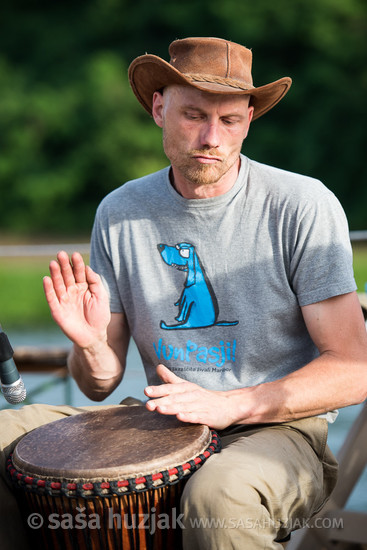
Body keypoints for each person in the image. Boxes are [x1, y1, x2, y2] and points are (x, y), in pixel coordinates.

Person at [1, 36, 367, 549]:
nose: (211, 137)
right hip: (158, 420)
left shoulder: (302, 204)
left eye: (230, 120)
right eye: (194, 115)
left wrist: (233, 404)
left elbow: (354, 370)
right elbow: (99, 385)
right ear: (159, 108)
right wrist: (88, 346)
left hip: (280, 428)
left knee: (219, 494)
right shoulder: (120, 211)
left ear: (249, 120)